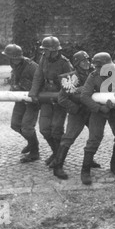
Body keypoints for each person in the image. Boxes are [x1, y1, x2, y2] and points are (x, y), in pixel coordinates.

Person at [79, 52, 115, 185]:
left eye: (100, 67)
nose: (97, 70)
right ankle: (85, 170)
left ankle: (114, 164)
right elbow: (84, 96)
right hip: (98, 110)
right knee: (94, 138)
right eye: (96, 67)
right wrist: (99, 108)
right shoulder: (93, 76)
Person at [28, 36, 73, 166]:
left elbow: (70, 85)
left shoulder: (65, 63)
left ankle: (59, 157)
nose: (43, 52)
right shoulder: (43, 59)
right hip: (46, 97)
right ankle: (56, 152)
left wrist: (62, 98)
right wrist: (33, 93)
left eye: (46, 50)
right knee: (44, 129)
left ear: (54, 50)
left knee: (56, 130)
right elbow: (38, 76)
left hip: (60, 99)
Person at [53, 50, 97, 179]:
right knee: (68, 138)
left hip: (90, 111)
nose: (87, 63)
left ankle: (89, 161)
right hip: (77, 113)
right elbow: (62, 99)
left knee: (94, 137)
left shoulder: (93, 74)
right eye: (83, 61)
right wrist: (76, 109)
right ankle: (58, 166)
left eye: (88, 60)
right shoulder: (71, 78)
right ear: (77, 64)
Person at [1, 44, 40, 163]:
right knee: (15, 124)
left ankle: (34, 151)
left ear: (14, 57)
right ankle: (32, 142)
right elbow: (14, 83)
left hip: (32, 100)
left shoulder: (32, 67)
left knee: (27, 128)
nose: (8, 60)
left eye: (9, 57)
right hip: (20, 99)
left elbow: (40, 82)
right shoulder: (14, 65)